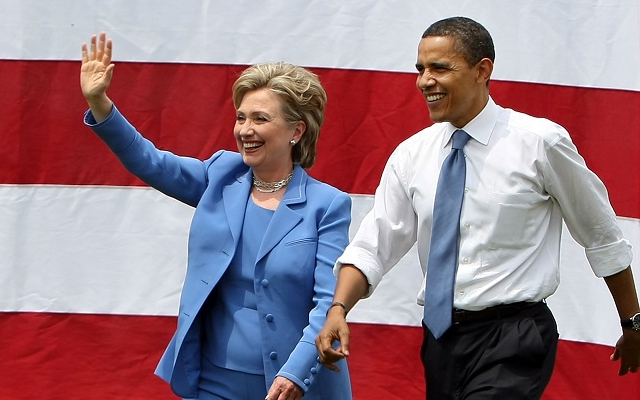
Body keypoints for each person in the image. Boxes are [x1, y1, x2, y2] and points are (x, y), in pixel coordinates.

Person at [315, 16, 640, 399]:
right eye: (420, 69)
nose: (424, 81)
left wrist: (632, 323)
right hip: (441, 340)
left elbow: (601, 235)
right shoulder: (411, 154)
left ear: (482, 70)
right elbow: (375, 244)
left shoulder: (540, 142)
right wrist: (339, 308)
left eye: (440, 68)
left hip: (516, 336)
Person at [80, 32, 353, 400]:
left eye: (260, 118)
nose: (245, 130)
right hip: (215, 381)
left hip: (295, 385)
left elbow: (328, 304)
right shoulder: (221, 174)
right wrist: (100, 104)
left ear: (296, 131)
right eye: (241, 118)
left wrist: (296, 373)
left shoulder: (328, 205)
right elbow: (149, 161)